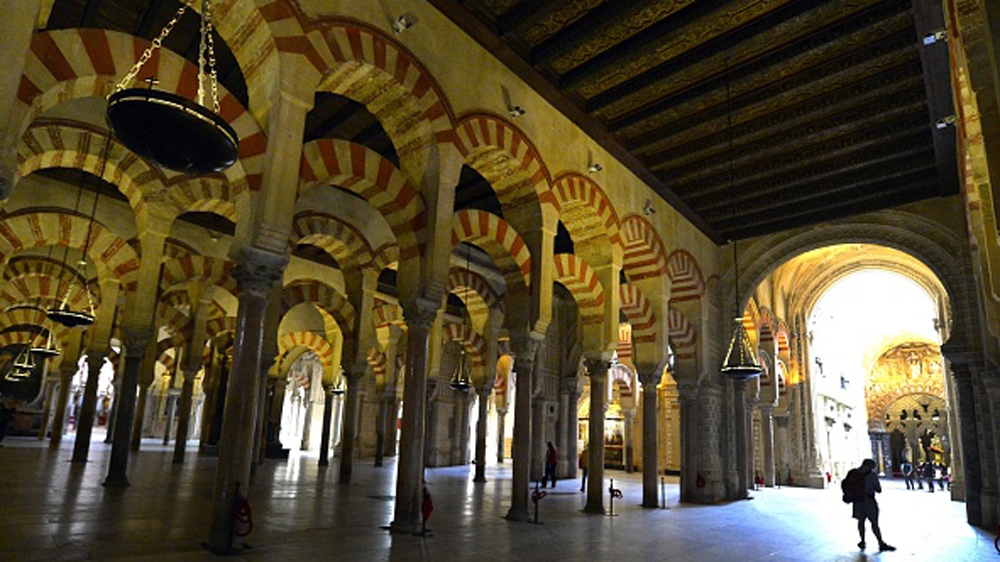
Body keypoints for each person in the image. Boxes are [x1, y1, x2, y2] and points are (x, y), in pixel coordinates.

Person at [851, 459, 895, 552]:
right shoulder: (871, 475)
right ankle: (880, 543)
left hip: (857, 501)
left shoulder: (854, 473)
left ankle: (862, 541)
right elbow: (878, 489)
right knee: (874, 523)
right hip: (869, 501)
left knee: (861, 522)